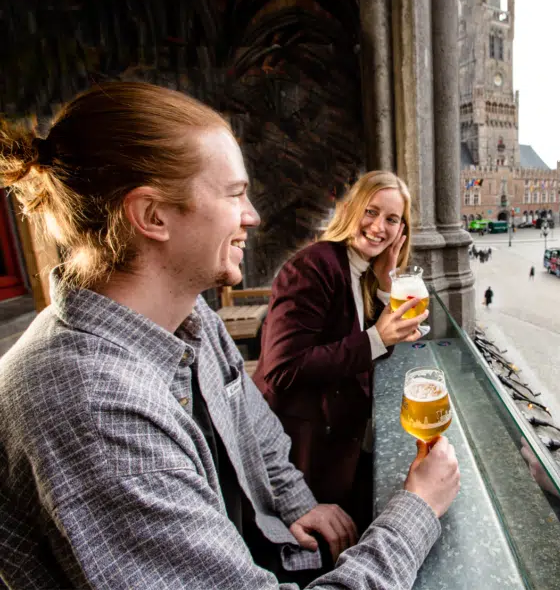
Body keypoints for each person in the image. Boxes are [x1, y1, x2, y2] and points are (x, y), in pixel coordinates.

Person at [0, 82, 460, 588]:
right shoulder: (99, 418)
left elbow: (252, 422)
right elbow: (285, 369)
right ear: (152, 215)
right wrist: (417, 509)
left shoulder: (192, 318)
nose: (253, 216)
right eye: (235, 193)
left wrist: (296, 502)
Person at [253, 170, 426, 532]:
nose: (379, 227)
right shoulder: (314, 267)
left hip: (337, 443)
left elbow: (366, 346)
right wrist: (377, 337)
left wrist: (385, 284)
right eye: (371, 211)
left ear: (402, 231)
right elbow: (283, 368)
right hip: (300, 451)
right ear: (350, 209)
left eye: (392, 219)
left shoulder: (360, 271)